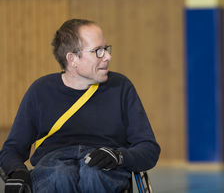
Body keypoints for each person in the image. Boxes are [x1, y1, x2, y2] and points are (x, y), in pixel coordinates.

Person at [0, 19, 160, 193]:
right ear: (72, 58)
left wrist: (120, 156)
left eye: (106, 49)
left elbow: (148, 148)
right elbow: (12, 149)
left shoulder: (121, 87)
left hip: (106, 165)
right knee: (60, 175)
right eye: (98, 51)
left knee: (93, 174)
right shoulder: (40, 91)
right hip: (53, 164)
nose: (108, 56)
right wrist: (17, 172)